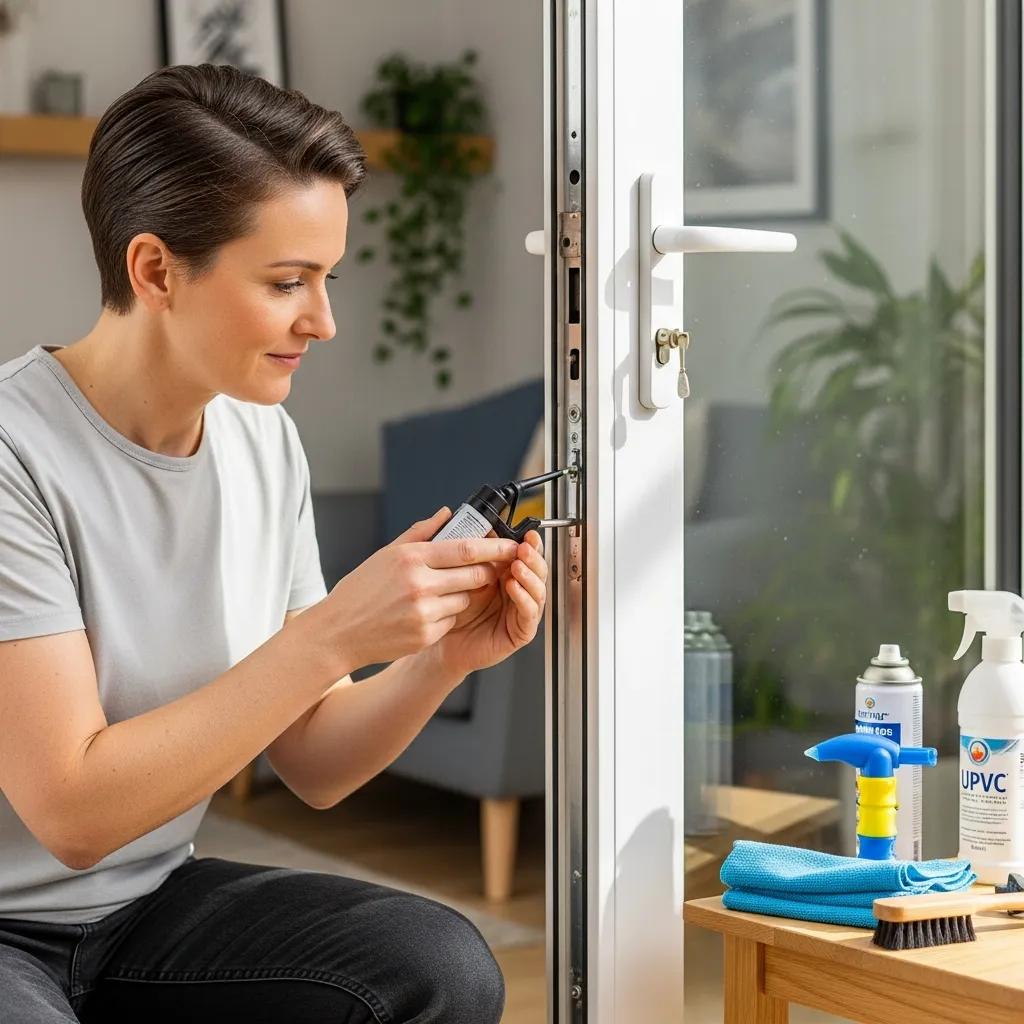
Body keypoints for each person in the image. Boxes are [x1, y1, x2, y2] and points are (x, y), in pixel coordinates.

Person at [0, 63, 548, 1023]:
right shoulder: (15, 454)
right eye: (288, 282)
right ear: (156, 270)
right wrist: (334, 632)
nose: (324, 320)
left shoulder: (262, 440)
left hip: (144, 909)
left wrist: (436, 661)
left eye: (327, 279)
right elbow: (74, 815)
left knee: (442, 967)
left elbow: (315, 764)